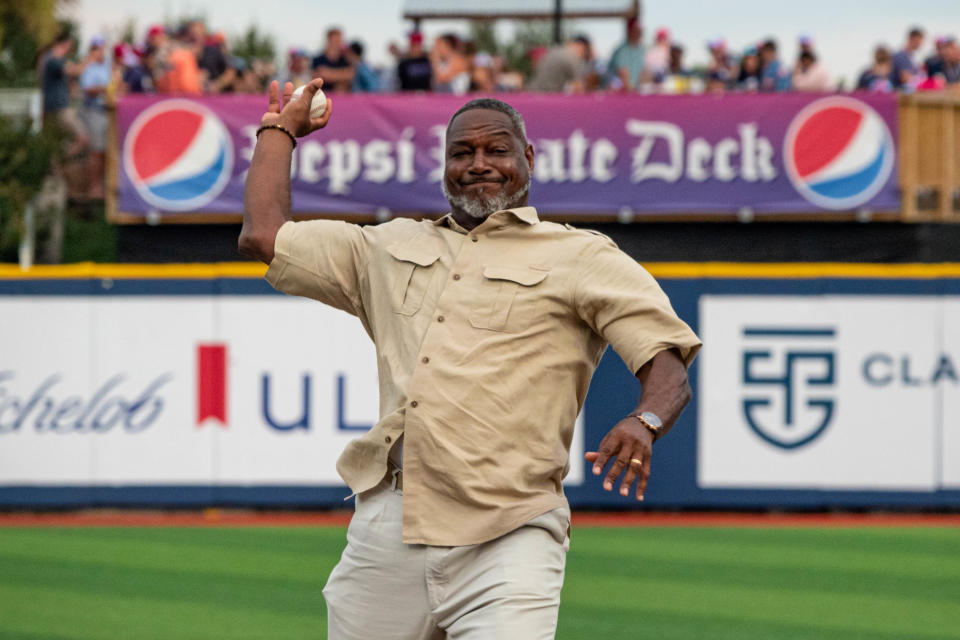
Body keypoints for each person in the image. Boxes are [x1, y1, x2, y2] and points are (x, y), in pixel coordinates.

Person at [241, 79, 701, 639]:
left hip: (510, 531)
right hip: (391, 522)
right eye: (462, 152)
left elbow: (667, 360)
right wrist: (279, 131)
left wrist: (644, 419)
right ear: (445, 167)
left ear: (527, 159)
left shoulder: (581, 255)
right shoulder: (385, 247)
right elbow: (264, 237)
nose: (478, 163)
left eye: (496, 149)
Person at [40, 32, 90, 157]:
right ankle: (63, 160)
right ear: (66, 44)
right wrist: (91, 59)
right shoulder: (52, 59)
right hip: (59, 108)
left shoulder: (51, 58)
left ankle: (59, 165)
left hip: (54, 107)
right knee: (83, 138)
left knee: (55, 144)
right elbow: (76, 70)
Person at [78, 36, 110, 199]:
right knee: (96, 151)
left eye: (102, 47)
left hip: (106, 111)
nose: (100, 51)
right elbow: (88, 89)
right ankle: (94, 188)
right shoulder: (88, 66)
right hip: (93, 111)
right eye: (97, 48)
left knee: (104, 151)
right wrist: (104, 88)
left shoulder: (105, 66)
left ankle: (102, 187)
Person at [607, 17, 644, 91]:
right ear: (629, 31)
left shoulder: (642, 49)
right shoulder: (622, 50)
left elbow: (644, 73)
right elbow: (623, 73)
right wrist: (631, 90)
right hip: (621, 91)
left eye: (639, 30)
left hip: (634, 89)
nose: (638, 33)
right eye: (635, 30)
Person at [312, 27, 354, 92]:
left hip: (340, 97)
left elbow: (350, 75)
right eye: (336, 39)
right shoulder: (318, 59)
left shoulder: (345, 60)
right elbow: (315, 77)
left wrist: (328, 74)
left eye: (340, 39)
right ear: (329, 39)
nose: (339, 42)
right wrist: (341, 75)